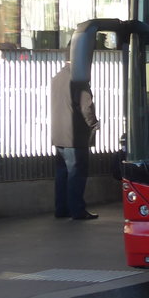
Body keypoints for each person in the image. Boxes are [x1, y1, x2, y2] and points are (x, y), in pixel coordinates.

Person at [50, 61, 100, 220]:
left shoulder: (57, 77)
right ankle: (77, 210)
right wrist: (94, 124)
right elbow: (86, 107)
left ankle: (61, 209)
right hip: (75, 135)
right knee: (76, 174)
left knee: (62, 174)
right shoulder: (79, 80)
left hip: (58, 136)